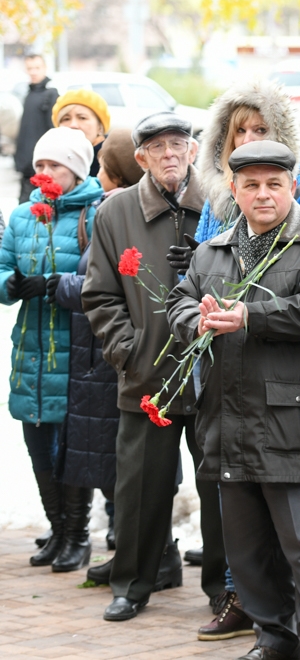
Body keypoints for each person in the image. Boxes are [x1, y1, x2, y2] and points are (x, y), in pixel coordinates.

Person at [166, 139, 300, 660]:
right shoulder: (212, 251)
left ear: (292, 186)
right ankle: (274, 640)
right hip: (229, 421)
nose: (263, 194)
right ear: (234, 190)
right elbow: (179, 301)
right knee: (248, 553)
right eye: (251, 185)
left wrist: (250, 314)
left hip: (294, 425)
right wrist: (196, 319)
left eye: (274, 184)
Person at [82, 112, 226, 621]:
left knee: (220, 488)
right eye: (158, 147)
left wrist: (205, 261)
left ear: (193, 150)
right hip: (147, 375)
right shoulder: (115, 211)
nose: (170, 154)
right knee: (140, 488)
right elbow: (99, 295)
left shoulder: (219, 203)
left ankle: (224, 587)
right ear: (140, 157)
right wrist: (130, 350)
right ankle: (132, 584)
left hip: (211, 373)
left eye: (178, 144)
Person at [0, 126, 103, 572]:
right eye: (39, 164)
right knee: (38, 444)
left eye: (55, 165)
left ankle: (78, 535)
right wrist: (10, 284)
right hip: (31, 350)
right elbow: (3, 264)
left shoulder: (96, 215)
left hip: (75, 348)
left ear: (76, 170)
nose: (44, 172)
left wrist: (52, 285)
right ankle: (57, 530)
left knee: (73, 447)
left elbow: (104, 281)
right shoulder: (24, 216)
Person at [56, 129, 145, 562]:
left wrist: (56, 284)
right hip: (105, 351)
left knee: (113, 453)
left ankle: (126, 545)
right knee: (103, 449)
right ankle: (110, 541)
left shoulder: (117, 213)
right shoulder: (116, 207)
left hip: (110, 352)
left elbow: (103, 286)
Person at [189, 77, 300, 249]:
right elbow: (203, 245)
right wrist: (197, 259)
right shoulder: (219, 190)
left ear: (279, 137)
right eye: (240, 131)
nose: (247, 140)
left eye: (260, 130)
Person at [15, 53, 58, 203]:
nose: (33, 72)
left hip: (41, 163)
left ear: (45, 68)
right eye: (29, 68)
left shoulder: (51, 94)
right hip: (26, 164)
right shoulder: (29, 94)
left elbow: (53, 129)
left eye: (37, 68)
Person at [52, 89, 111, 177]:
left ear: (99, 126)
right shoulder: (50, 159)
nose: (73, 125)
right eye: (66, 119)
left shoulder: (111, 161)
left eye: (82, 118)